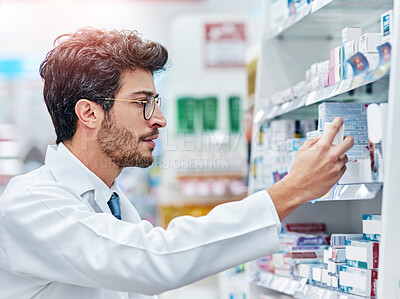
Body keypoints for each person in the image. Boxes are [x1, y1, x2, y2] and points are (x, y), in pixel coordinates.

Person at [0, 28, 353, 299]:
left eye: (156, 101)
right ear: (89, 112)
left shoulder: (108, 202)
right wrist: (290, 191)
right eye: (143, 103)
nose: (160, 119)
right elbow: (157, 259)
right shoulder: (33, 204)